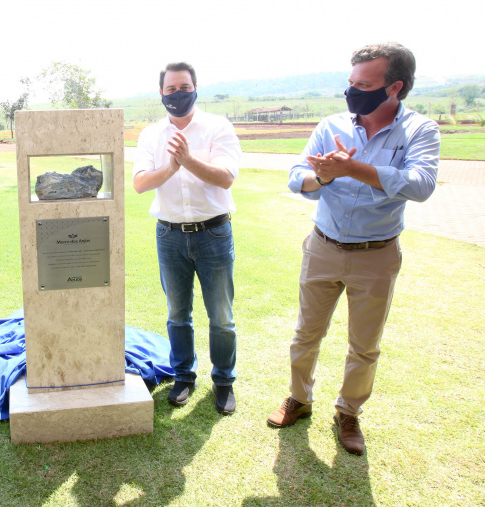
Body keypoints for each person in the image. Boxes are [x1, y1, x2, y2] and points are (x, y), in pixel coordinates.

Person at [267, 42, 440, 455]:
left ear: (394, 87)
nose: (353, 92)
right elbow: (297, 178)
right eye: (350, 83)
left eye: (364, 84)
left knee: (364, 344)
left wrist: (352, 168)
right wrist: (322, 178)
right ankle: (300, 398)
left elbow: (421, 185)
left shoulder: (419, 131)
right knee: (306, 334)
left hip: (377, 254)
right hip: (323, 246)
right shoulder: (331, 125)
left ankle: (349, 412)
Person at [132, 62, 242, 415]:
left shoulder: (217, 127)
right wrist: (172, 167)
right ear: (161, 93)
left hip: (213, 232)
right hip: (170, 235)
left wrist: (188, 159)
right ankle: (184, 376)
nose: (177, 94)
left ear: (196, 88)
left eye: (184, 87)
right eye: (170, 89)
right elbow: (140, 183)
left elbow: (225, 177)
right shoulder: (151, 134)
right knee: (178, 314)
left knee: (221, 315)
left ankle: (223, 382)